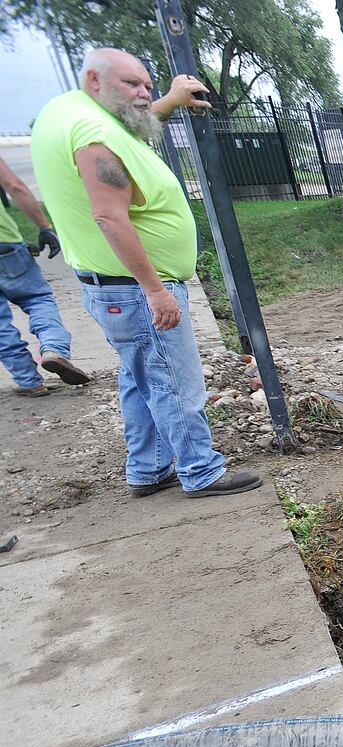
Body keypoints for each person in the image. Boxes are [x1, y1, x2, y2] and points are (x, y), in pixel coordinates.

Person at [31, 48, 259, 498]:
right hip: (135, 290)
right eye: (132, 85)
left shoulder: (70, 109)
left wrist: (167, 102)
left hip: (113, 288)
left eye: (147, 86)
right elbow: (110, 217)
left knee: (142, 379)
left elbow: (127, 122)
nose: (142, 94)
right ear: (94, 79)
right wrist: (155, 290)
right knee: (174, 382)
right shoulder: (94, 135)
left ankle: (148, 469)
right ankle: (200, 471)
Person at [0, 155, 89, 396]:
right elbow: (15, 186)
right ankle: (54, 348)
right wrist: (44, 227)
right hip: (5, 245)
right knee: (37, 299)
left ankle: (29, 381)